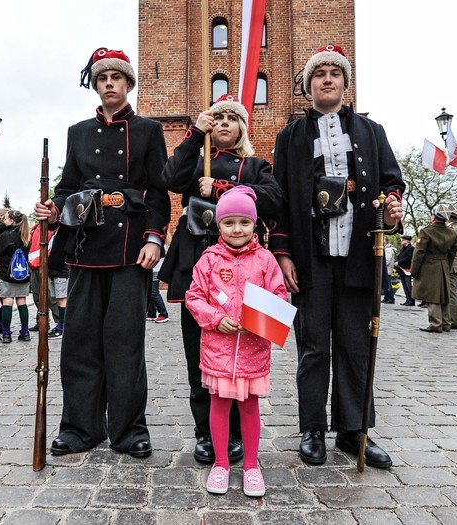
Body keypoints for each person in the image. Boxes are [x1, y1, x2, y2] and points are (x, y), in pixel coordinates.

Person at [269, 44, 404, 469]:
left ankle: (354, 431)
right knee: (313, 348)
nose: (327, 79)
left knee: (355, 346)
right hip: (311, 258)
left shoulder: (370, 131)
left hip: (359, 255)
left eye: (335, 73)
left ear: (346, 83)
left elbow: (391, 182)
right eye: (319, 74)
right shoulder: (290, 136)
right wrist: (283, 253)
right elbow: (281, 200)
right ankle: (312, 428)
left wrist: (393, 206)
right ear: (308, 86)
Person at [34, 47, 169, 458]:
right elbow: (66, 187)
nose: (109, 84)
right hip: (85, 246)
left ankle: (129, 430)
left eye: (116, 78)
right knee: (80, 342)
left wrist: (153, 238)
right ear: (95, 85)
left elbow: (159, 192)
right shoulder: (77, 132)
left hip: (130, 249)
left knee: (125, 343)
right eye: (102, 79)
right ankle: (80, 427)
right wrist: (53, 210)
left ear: (128, 83)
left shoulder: (147, 130)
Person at [158, 94, 281, 465]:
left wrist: (225, 191)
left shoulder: (257, 166)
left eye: (232, 117)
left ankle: (240, 433)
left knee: (244, 354)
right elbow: (168, 178)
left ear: (243, 127)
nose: (225, 122)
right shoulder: (196, 163)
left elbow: (274, 199)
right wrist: (196, 134)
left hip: (248, 273)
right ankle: (207, 433)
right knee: (201, 356)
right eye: (219, 117)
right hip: (200, 263)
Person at [185, 186, 286, 497]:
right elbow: (194, 296)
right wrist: (216, 318)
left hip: (253, 350)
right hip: (218, 349)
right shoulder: (209, 259)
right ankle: (221, 464)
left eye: (244, 222)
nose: (237, 229)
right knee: (218, 406)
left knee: (250, 407)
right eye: (229, 223)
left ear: (254, 224)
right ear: (219, 225)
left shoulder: (267, 260)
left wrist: (262, 321)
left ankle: (252, 466)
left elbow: (279, 296)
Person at [410, 209, 457, 333]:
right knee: (444, 295)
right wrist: (447, 265)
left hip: (429, 266)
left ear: (434, 217)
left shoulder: (426, 231)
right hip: (444, 264)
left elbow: (419, 252)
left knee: (432, 295)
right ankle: (446, 323)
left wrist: (414, 270)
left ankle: (436, 323)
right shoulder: (452, 233)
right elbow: (453, 253)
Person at [0, 209, 31, 343]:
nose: (4, 220)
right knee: (22, 301)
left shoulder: (5, 235)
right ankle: (25, 332)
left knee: (7, 301)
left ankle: (7, 334)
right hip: (23, 273)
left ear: (12, 220)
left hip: (6, 272)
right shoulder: (26, 234)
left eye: (6, 218)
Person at [441, 204, 457, 329]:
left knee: (451, 294)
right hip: (455, 264)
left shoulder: (452, 230)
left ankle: (452, 320)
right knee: (452, 293)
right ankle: (452, 320)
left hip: (451, 264)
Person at [146, 254, 169, 323]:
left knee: (154, 292)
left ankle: (163, 314)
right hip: (152, 269)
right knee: (150, 290)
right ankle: (151, 313)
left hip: (155, 269)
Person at [395, 235, 414, 306]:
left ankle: (411, 300)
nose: (401, 241)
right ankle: (407, 299)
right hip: (401, 269)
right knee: (404, 285)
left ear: (407, 241)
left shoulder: (411, 248)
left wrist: (399, 262)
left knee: (408, 285)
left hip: (407, 269)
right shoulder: (403, 248)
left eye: (403, 240)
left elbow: (408, 258)